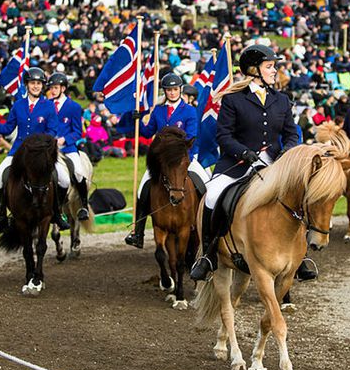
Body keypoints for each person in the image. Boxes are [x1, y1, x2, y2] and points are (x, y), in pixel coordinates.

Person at [190, 44, 307, 282]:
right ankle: (208, 254)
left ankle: (301, 257)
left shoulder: (281, 100)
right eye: (269, 66)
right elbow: (224, 136)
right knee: (212, 194)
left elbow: (292, 133)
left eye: (274, 66)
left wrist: (288, 151)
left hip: (274, 163)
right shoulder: (233, 100)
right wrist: (244, 153)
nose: (275, 71)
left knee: (299, 195)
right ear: (254, 70)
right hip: (238, 163)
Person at [124, 73, 208, 249]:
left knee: (205, 185)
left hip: (185, 158)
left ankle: (206, 229)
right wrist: (137, 121)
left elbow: (191, 136)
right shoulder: (159, 111)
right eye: (168, 90)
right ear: (165, 91)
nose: (171, 93)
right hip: (162, 162)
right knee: (143, 189)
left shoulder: (189, 111)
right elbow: (148, 132)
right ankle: (138, 232)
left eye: (175, 89)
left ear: (180, 90)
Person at [0, 68, 70, 234]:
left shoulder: (49, 106)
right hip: (18, 151)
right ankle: (0, 216)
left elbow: (52, 130)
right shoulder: (18, 105)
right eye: (33, 83)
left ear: (43, 86)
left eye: (39, 83)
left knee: (64, 180)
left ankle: (57, 214)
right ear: (27, 85)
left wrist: (41, 144)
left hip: (42, 153)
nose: (36, 86)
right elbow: (8, 128)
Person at [46, 72, 90, 221]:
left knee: (78, 172)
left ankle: (84, 205)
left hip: (67, 148)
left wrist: (64, 140)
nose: (52, 91)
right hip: (49, 149)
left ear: (63, 88)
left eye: (56, 88)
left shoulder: (74, 107)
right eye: (51, 88)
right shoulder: (46, 105)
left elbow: (77, 132)